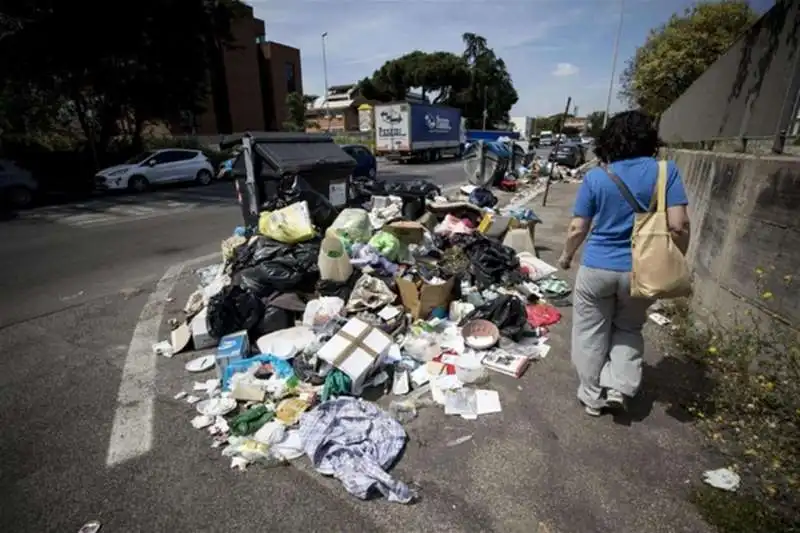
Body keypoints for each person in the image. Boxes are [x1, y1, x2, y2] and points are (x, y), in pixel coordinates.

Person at [557, 110, 691, 416]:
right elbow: (678, 225)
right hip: (641, 271)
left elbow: (578, 228)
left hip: (596, 268)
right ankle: (618, 387)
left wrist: (566, 256)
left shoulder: (595, 177)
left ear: (611, 141)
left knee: (590, 332)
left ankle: (592, 397)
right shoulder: (665, 172)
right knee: (628, 328)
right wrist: (676, 259)